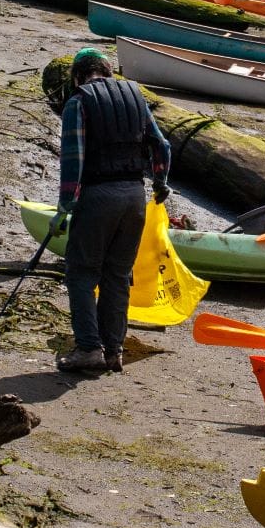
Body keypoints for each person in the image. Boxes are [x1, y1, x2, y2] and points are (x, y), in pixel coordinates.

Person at [52, 48, 171, 373]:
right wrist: (160, 184)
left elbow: (73, 160)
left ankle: (89, 348)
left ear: (78, 76)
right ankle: (113, 350)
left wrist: (64, 208)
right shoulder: (135, 97)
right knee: (117, 276)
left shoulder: (78, 101)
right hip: (134, 195)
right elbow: (162, 145)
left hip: (98, 195)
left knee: (81, 273)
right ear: (108, 72)